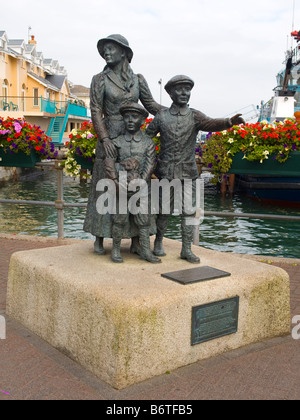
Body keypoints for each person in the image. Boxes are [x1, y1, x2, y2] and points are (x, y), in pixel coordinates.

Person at [146, 75, 245, 263]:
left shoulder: (194, 116)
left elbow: (211, 124)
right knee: (163, 210)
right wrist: (149, 161)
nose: (184, 93)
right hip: (166, 171)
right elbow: (147, 137)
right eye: (180, 89)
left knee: (189, 211)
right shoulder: (162, 116)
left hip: (189, 172)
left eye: (187, 89)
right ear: (170, 92)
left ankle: (186, 249)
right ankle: (158, 242)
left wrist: (229, 122)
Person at [83, 34, 163, 255]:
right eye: (104, 50)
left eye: (111, 48)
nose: (106, 53)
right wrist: (105, 138)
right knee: (104, 187)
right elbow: (96, 111)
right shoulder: (99, 79)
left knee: (135, 188)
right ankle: (99, 235)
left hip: (133, 136)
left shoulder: (138, 79)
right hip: (109, 137)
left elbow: (150, 104)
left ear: (124, 52)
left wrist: (171, 112)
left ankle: (136, 238)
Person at [105, 103, 161, 264]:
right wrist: (115, 181)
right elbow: (109, 162)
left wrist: (140, 182)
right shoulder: (117, 142)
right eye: (127, 116)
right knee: (119, 219)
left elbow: (150, 164)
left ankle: (144, 250)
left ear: (142, 121)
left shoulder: (148, 143)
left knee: (144, 220)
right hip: (121, 187)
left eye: (135, 117)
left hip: (141, 188)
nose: (130, 120)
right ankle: (116, 249)